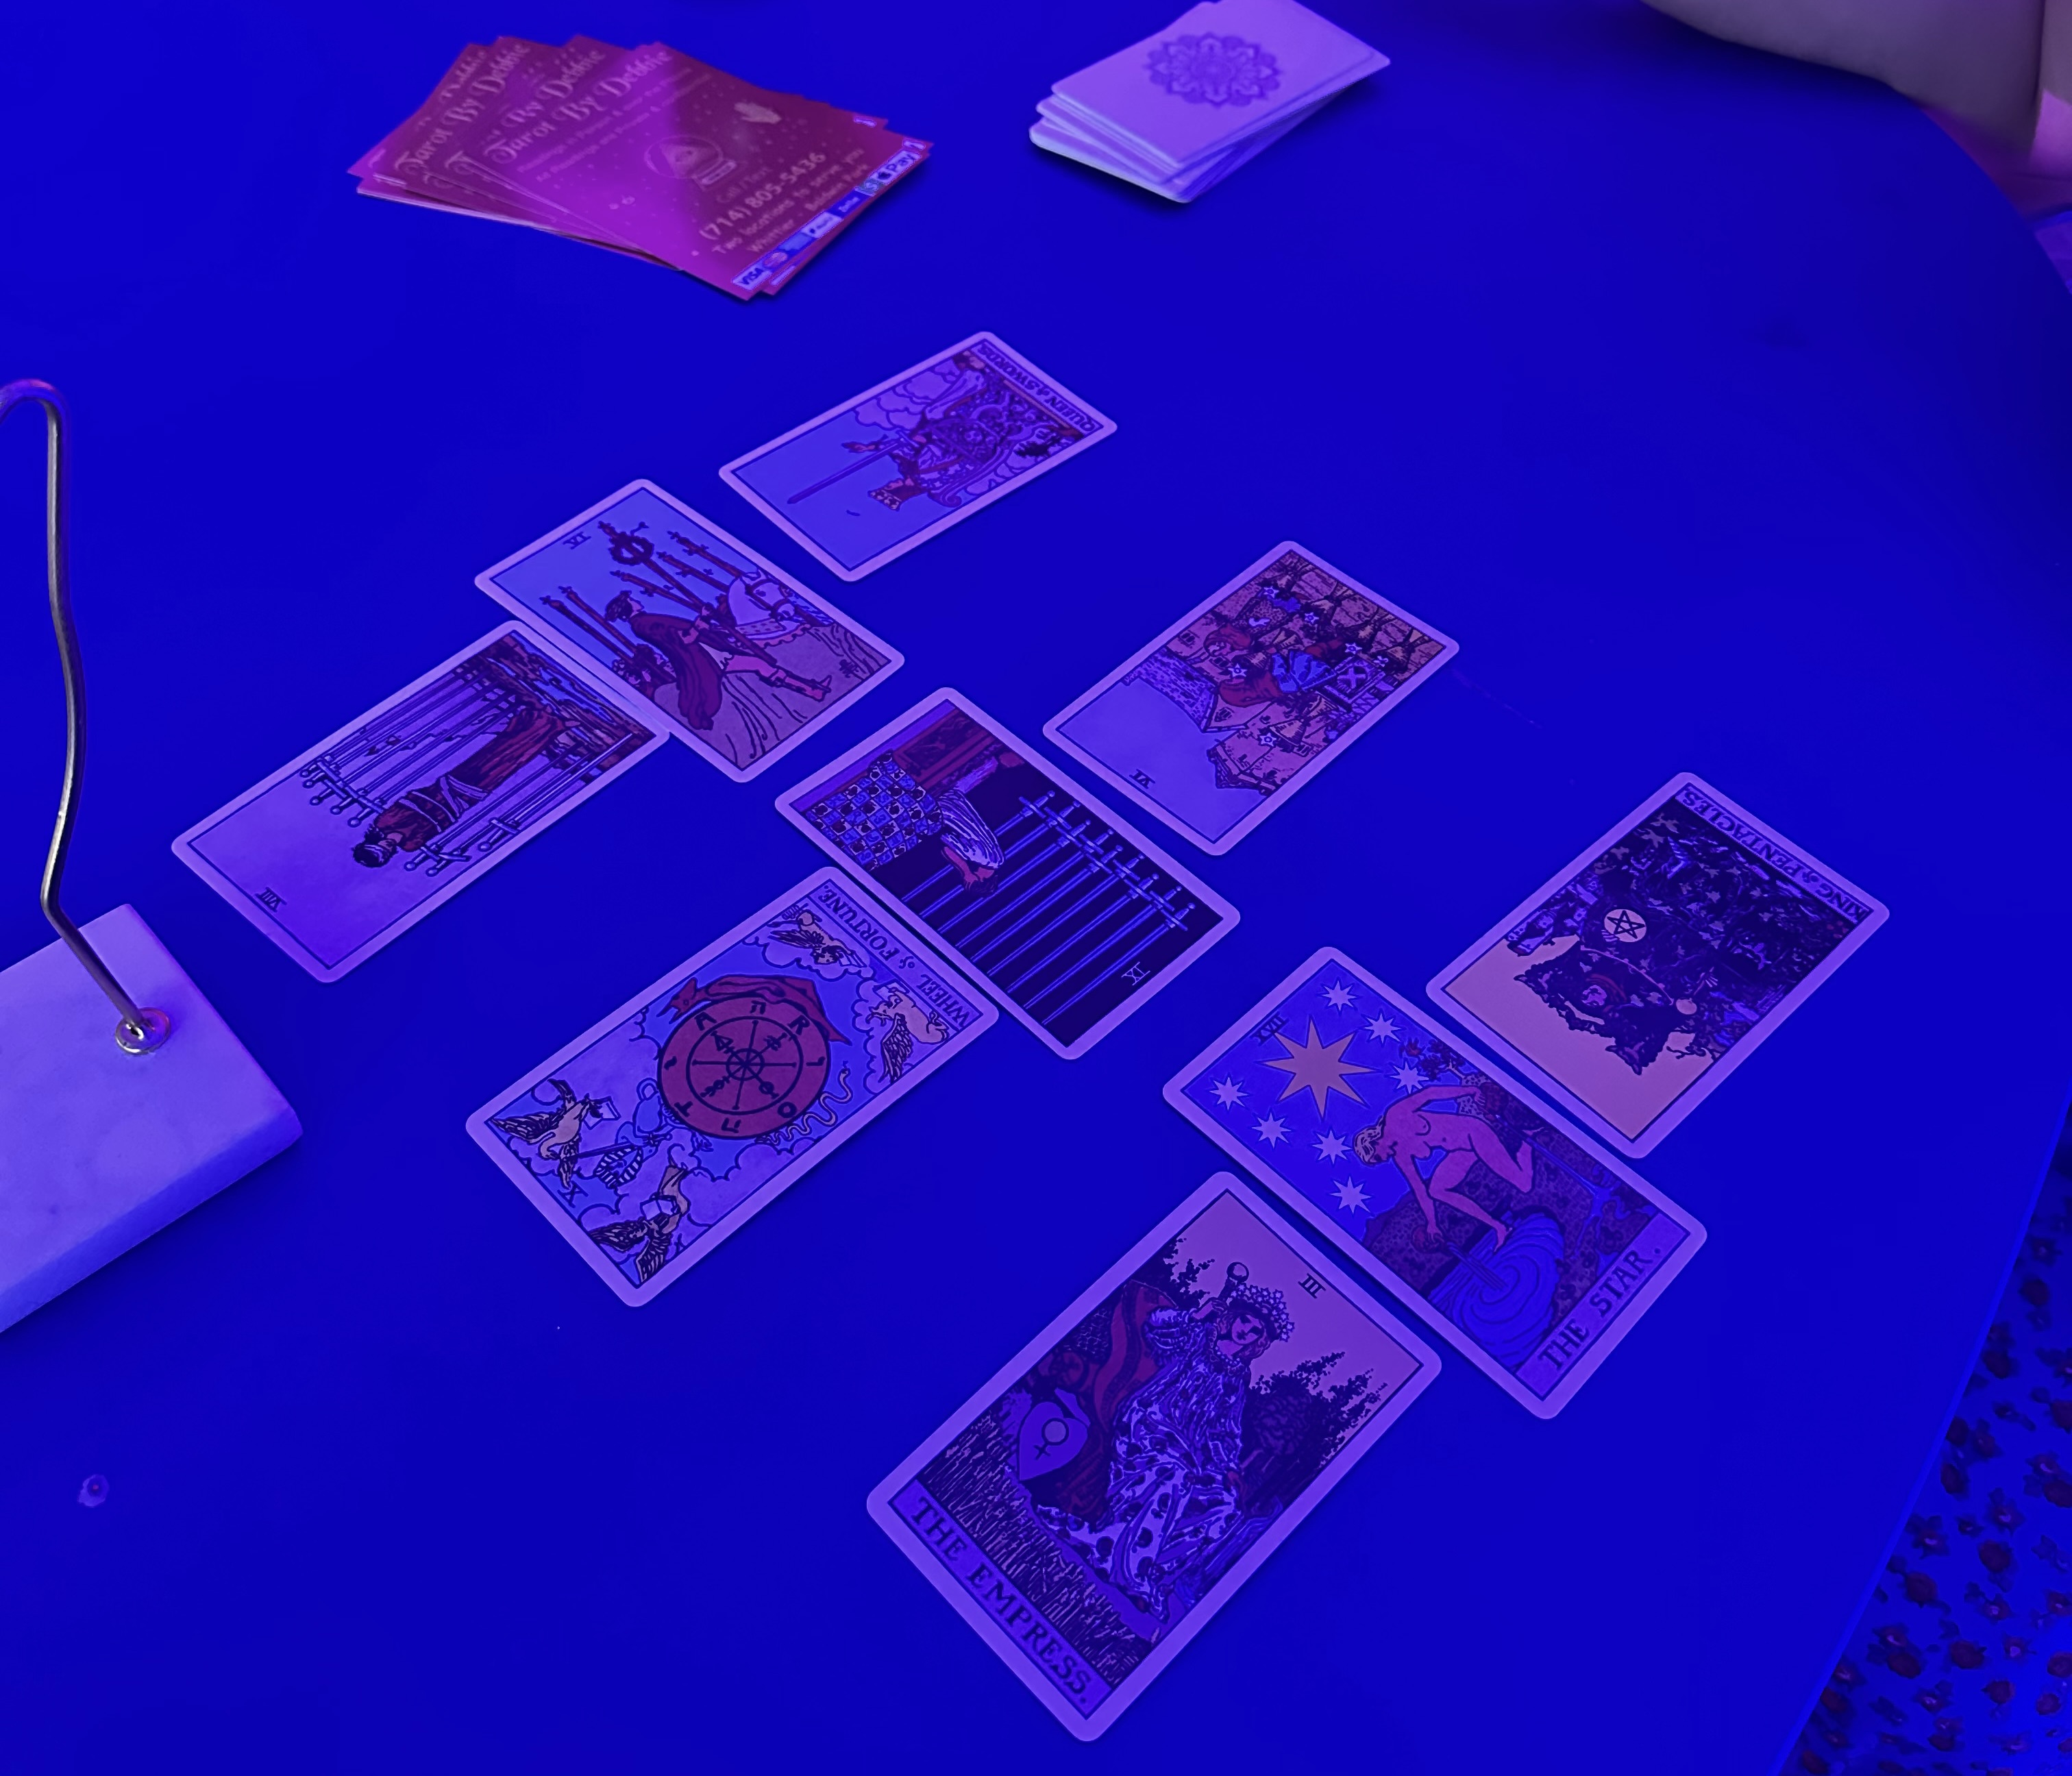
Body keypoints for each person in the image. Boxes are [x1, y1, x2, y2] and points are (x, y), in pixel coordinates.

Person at [1034, 1285, 1290, 1624]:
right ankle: (1126, 1566)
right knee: (1173, 1477)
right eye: (1246, 1320)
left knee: (1223, 1505)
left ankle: (1146, 1569)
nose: (1247, 1330)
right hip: (1150, 1425)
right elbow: (1155, 1327)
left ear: (1260, 1341)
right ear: (1234, 1316)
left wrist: (1229, 1468)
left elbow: (1224, 1429)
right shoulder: (1199, 1336)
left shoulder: (1238, 1377)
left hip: (1192, 1452)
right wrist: (1195, 1316)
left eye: (1256, 1330)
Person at [1353, 1082, 1534, 1249]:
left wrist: (1470, 1091)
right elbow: (1419, 1190)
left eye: (1378, 1157)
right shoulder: (1400, 1155)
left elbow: (1430, 1094)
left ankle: (1525, 1144)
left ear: (1374, 1141)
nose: (1383, 1160)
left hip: (1474, 1133)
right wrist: (1432, 1223)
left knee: (1524, 1185)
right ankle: (1499, 1227)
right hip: (1461, 1152)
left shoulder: (1396, 1115)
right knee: (1436, 1190)